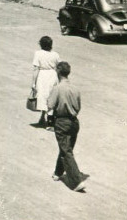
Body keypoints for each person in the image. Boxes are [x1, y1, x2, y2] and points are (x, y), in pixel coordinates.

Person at [48, 62, 89, 192]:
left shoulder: (58, 88)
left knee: (66, 151)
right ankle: (58, 172)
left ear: (58, 72)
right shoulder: (75, 89)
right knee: (66, 147)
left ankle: (76, 181)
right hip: (74, 122)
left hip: (62, 121)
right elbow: (79, 107)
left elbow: (50, 105)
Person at [31, 35, 61, 128]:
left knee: (43, 97)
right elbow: (59, 66)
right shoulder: (55, 54)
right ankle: (43, 118)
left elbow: (36, 68)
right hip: (52, 75)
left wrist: (33, 83)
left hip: (42, 76)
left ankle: (49, 123)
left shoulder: (38, 53)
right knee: (50, 97)